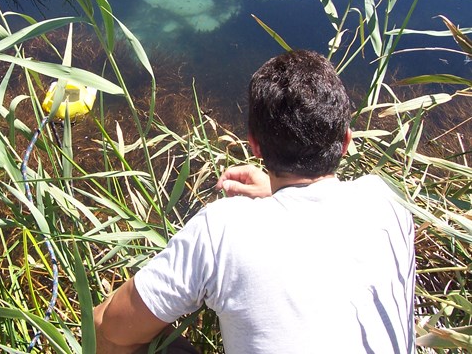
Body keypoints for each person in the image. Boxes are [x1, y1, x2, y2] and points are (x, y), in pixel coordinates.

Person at [94, 50, 415, 353]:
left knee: (103, 322)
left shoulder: (222, 228)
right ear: (346, 141)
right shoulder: (391, 201)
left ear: (254, 145)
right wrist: (281, 195)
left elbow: (116, 328)